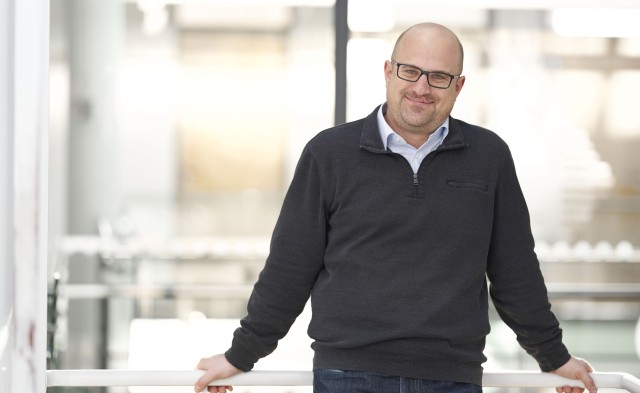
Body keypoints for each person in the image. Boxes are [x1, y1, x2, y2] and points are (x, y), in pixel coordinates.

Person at [194, 22, 597, 393]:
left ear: (458, 86)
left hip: (452, 376)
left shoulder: (489, 157)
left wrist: (553, 356)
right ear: (388, 72)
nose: (422, 87)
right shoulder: (328, 154)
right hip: (347, 374)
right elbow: (290, 268)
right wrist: (240, 355)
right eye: (410, 71)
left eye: (439, 77)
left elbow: (515, 269)